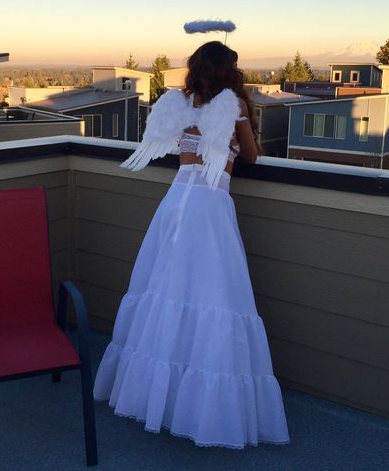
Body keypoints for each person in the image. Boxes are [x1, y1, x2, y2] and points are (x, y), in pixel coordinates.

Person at [93, 41, 289, 449]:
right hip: (210, 205)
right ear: (228, 72)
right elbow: (251, 157)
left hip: (176, 203)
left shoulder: (183, 103)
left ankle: (157, 397)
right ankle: (201, 407)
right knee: (214, 293)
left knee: (166, 288)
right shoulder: (231, 106)